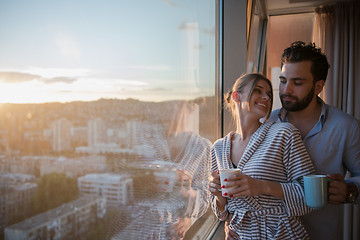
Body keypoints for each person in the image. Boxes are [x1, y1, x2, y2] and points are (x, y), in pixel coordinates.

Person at [226, 41, 360, 240]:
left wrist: (350, 190)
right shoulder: (264, 122)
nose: (286, 90)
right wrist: (231, 218)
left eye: (297, 83)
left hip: (322, 233)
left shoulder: (346, 126)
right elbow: (247, 181)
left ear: (318, 87)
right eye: (282, 80)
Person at [208, 73, 316, 239]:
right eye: (258, 91)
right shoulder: (218, 148)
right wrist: (218, 195)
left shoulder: (284, 134)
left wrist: (262, 187)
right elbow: (222, 213)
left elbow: (311, 196)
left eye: (269, 94)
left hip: (280, 233)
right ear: (236, 96)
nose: (266, 97)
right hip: (240, 235)